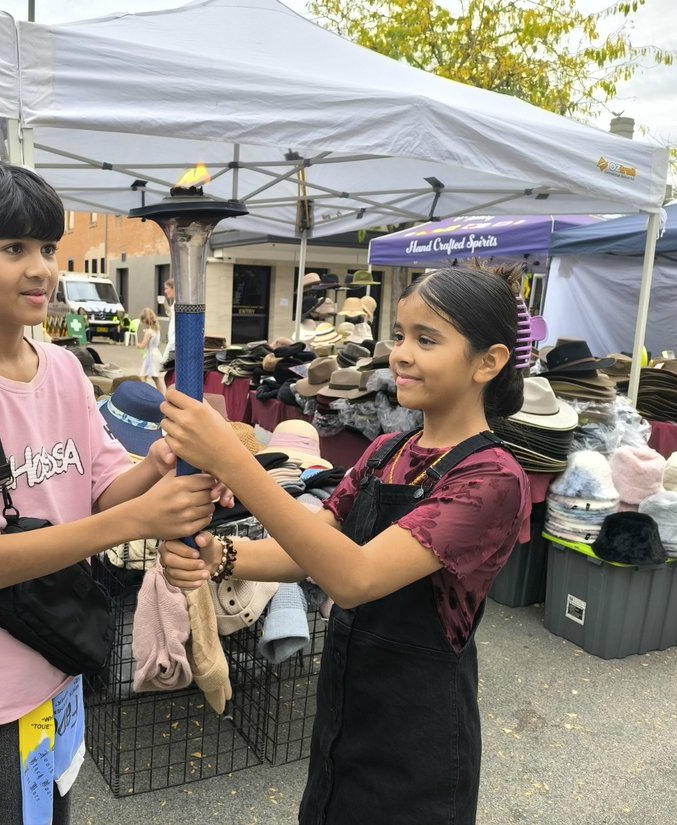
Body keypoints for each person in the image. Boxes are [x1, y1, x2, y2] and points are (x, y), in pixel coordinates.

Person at [0, 157, 223, 825]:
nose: (41, 268)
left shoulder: (65, 368)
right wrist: (142, 519)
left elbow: (102, 487)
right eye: (14, 248)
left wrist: (157, 466)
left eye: (46, 247)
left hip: (57, 656)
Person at [160, 264, 532, 825]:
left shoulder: (491, 479)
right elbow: (309, 551)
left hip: (420, 738)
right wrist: (221, 557)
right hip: (344, 712)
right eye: (400, 335)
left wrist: (234, 461)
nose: (401, 354)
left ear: (489, 361)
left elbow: (354, 578)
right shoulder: (386, 451)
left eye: (427, 339)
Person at [136, 307, 165, 392]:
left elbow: (142, 346)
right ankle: (162, 394)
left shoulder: (149, 332)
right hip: (157, 353)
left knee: (143, 376)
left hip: (150, 356)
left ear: (144, 320)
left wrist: (138, 345)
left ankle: (145, 393)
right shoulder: (156, 329)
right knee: (155, 377)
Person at [160, 278, 175, 361]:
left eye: (166, 288)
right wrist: (165, 302)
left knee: (164, 362)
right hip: (172, 340)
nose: (165, 291)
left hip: (174, 340)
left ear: (173, 288)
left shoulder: (180, 303)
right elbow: (170, 313)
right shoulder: (175, 303)